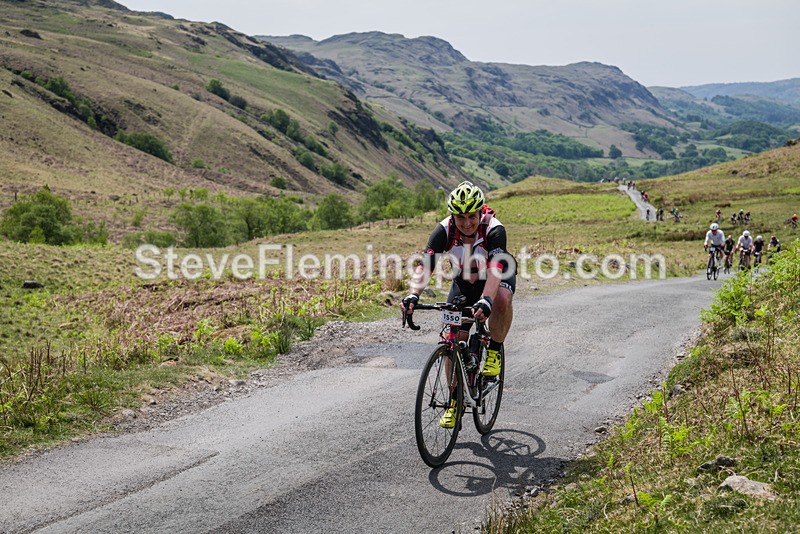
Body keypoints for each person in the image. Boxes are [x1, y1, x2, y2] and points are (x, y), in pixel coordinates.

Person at [402, 181, 515, 428]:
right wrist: (413, 295)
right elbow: (426, 265)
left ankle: (494, 349)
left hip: (496, 275)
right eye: (460, 217)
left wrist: (486, 300)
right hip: (465, 281)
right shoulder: (444, 230)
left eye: (471, 216)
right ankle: (455, 401)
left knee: (502, 299)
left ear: (480, 213)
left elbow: (497, 268)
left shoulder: (494, 229)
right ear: (453, 216)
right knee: (453, 338)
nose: (466, 223)